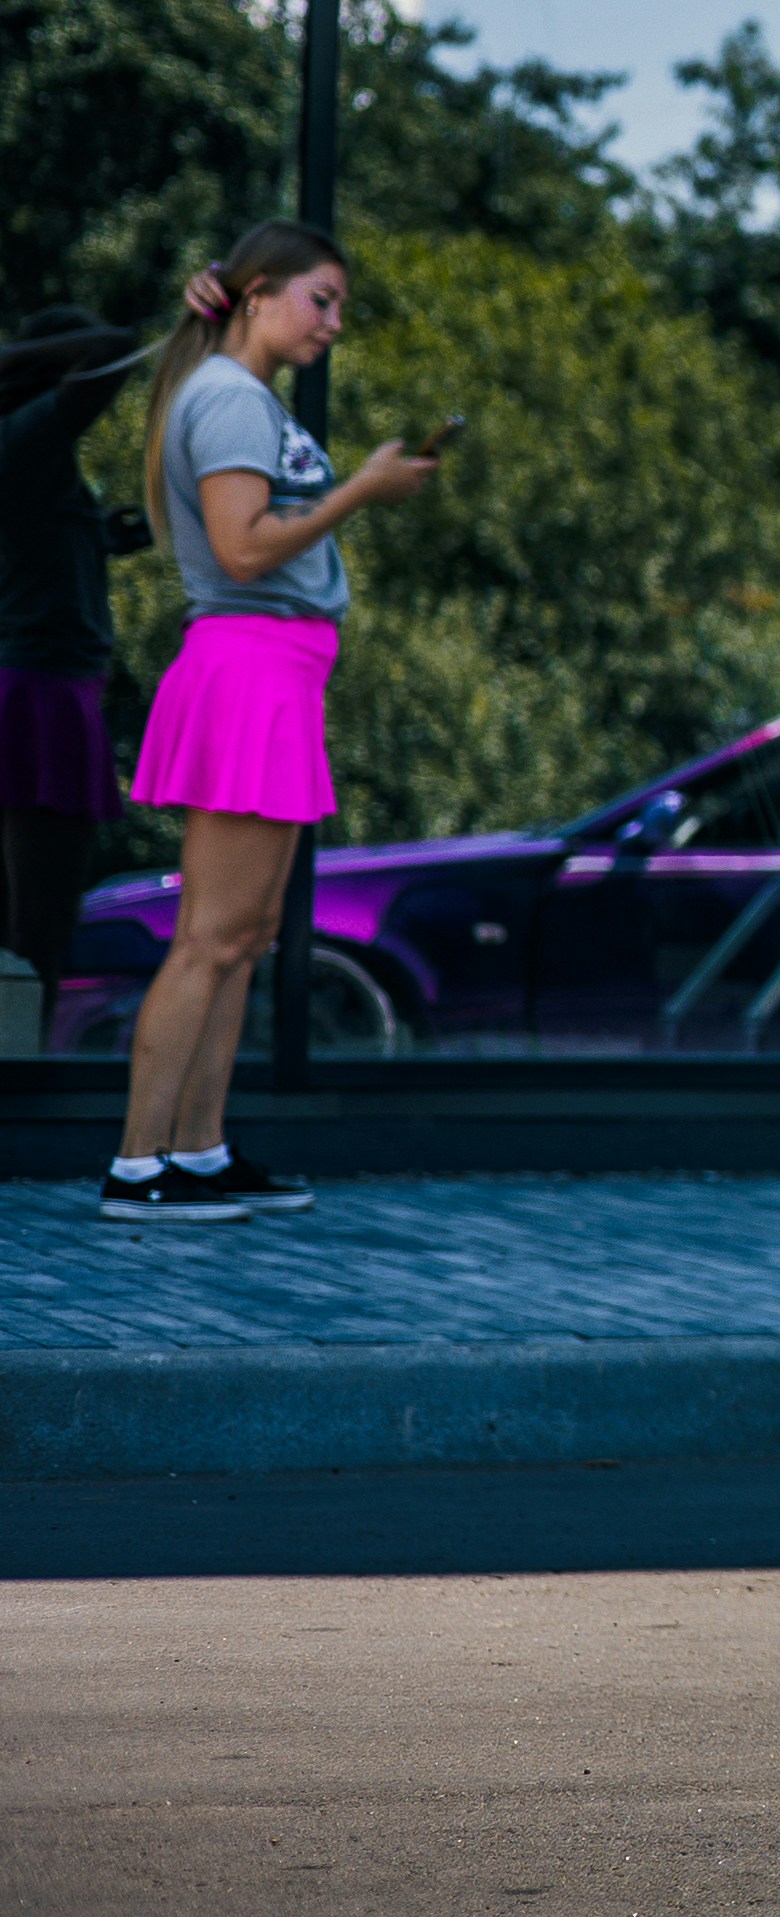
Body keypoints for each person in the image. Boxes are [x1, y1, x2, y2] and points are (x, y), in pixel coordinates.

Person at [103, 223, 433, 1226]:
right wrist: (361, 492)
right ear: (257, 297)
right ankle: (137, 1165)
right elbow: (244, 550)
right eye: (320, 298)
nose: (334, 321)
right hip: (249, 669)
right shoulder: (229, 401)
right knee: (208, 937)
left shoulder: (241, 397)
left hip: (276, 674)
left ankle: (196, 1151)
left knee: (242, 934)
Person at [1, 301, 143, 1002]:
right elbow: (117, 343)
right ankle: (25, 1079)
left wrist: (98, 539)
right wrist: (32, 358)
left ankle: (27, 1064)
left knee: (41, 911)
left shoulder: (40, 456)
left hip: (53, 682)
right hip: (39, 693)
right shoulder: (24, 438)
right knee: (39, 918)